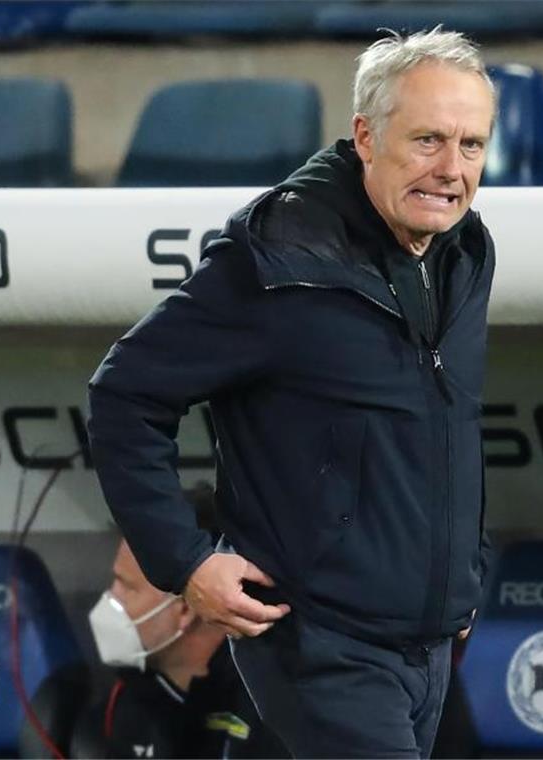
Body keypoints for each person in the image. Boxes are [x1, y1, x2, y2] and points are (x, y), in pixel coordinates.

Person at [86, 27, 496, 759]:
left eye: (472, 145)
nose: (451, 169)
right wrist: (183, 562)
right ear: (366, 136)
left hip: (430, 646)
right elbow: (125, 395)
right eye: (428, 139)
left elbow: (448, 429)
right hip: (323, 646)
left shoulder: (463, 253)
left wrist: (466, 567)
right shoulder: (279, 258)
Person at [72, 483, 288, 759]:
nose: (111, 598)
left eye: (127, 587)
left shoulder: (272, 708)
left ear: (186, 608)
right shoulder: (121, 708)